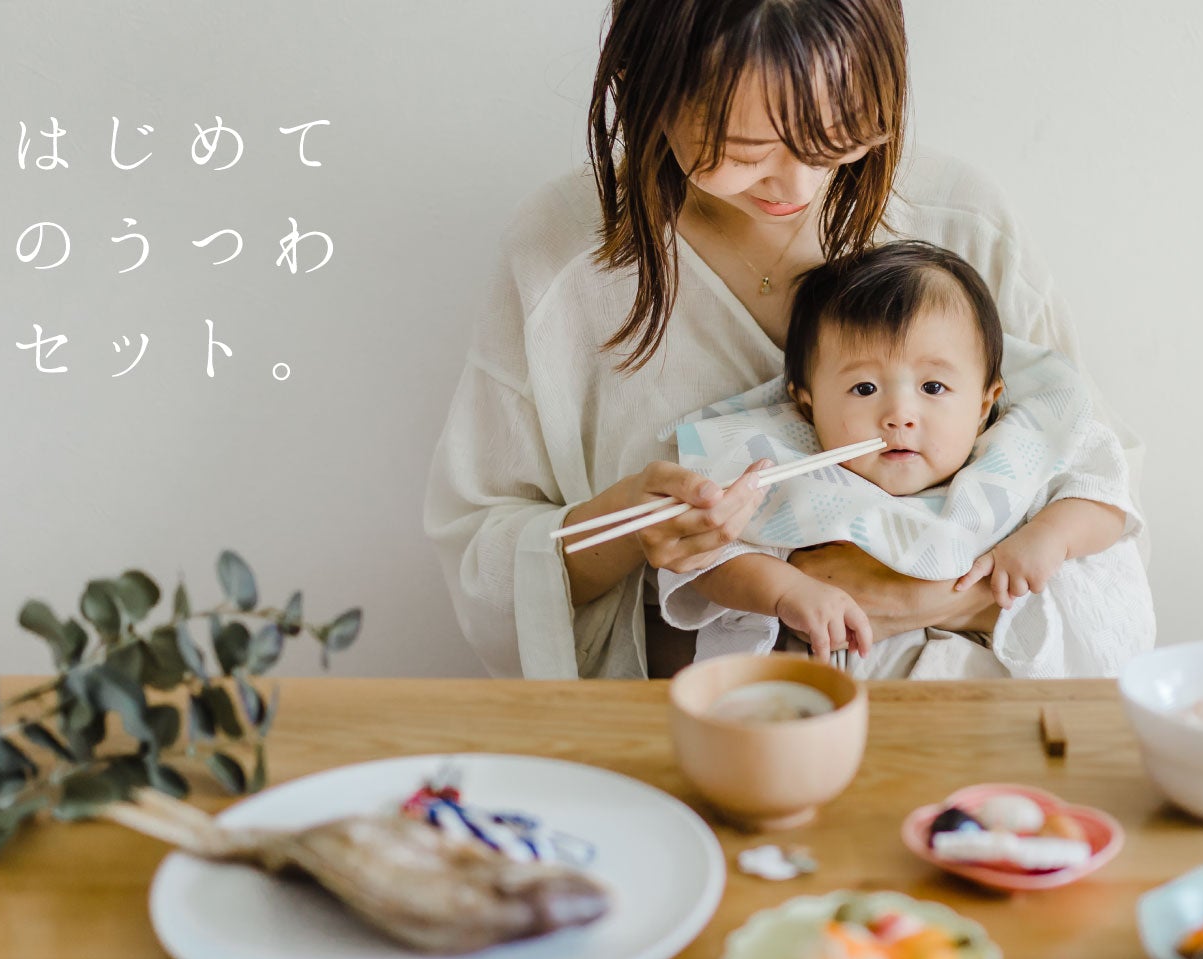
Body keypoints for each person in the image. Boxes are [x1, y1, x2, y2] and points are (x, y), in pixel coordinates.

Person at [423, 0, 1152, 679]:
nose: (797, 183)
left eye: (837, 134)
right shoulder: (560, 259)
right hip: (702, 727)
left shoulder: (959, 221)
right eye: (742, 149)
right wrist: (632, 527)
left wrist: (928, 595)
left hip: (971, 737)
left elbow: (1096, 491)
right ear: (641, 84)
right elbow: (484, 555)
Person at [656, 240, 1143, 678]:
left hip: (992, 704)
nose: (899, 415)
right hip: (837, 710)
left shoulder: (1016, 456)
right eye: (864, 388)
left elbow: (1104, 501)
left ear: (983, 403)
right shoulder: (785, 467)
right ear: (806, 404)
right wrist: (786, 591)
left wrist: (1049, 538)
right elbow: (712, 558)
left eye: (933, 387)